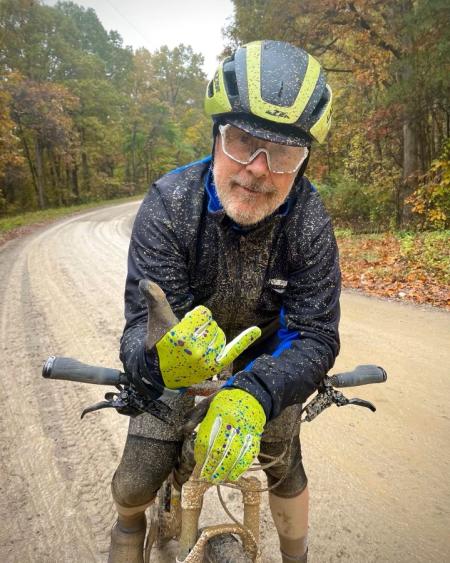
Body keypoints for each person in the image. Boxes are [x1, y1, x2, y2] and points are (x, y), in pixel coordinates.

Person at [110, 39, 340, 563]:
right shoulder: (169, 205)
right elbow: (136, 330)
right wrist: (158, 358)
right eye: (241, 141)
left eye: (282, 151)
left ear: (302, 161)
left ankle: (295, 556)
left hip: (265, 370)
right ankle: (126, 529)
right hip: (180, 368)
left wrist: (256, 392)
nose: (258, 168)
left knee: (283, 467)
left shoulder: (309, 222)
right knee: (135, 482)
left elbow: (316, 334)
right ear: (216, 136)